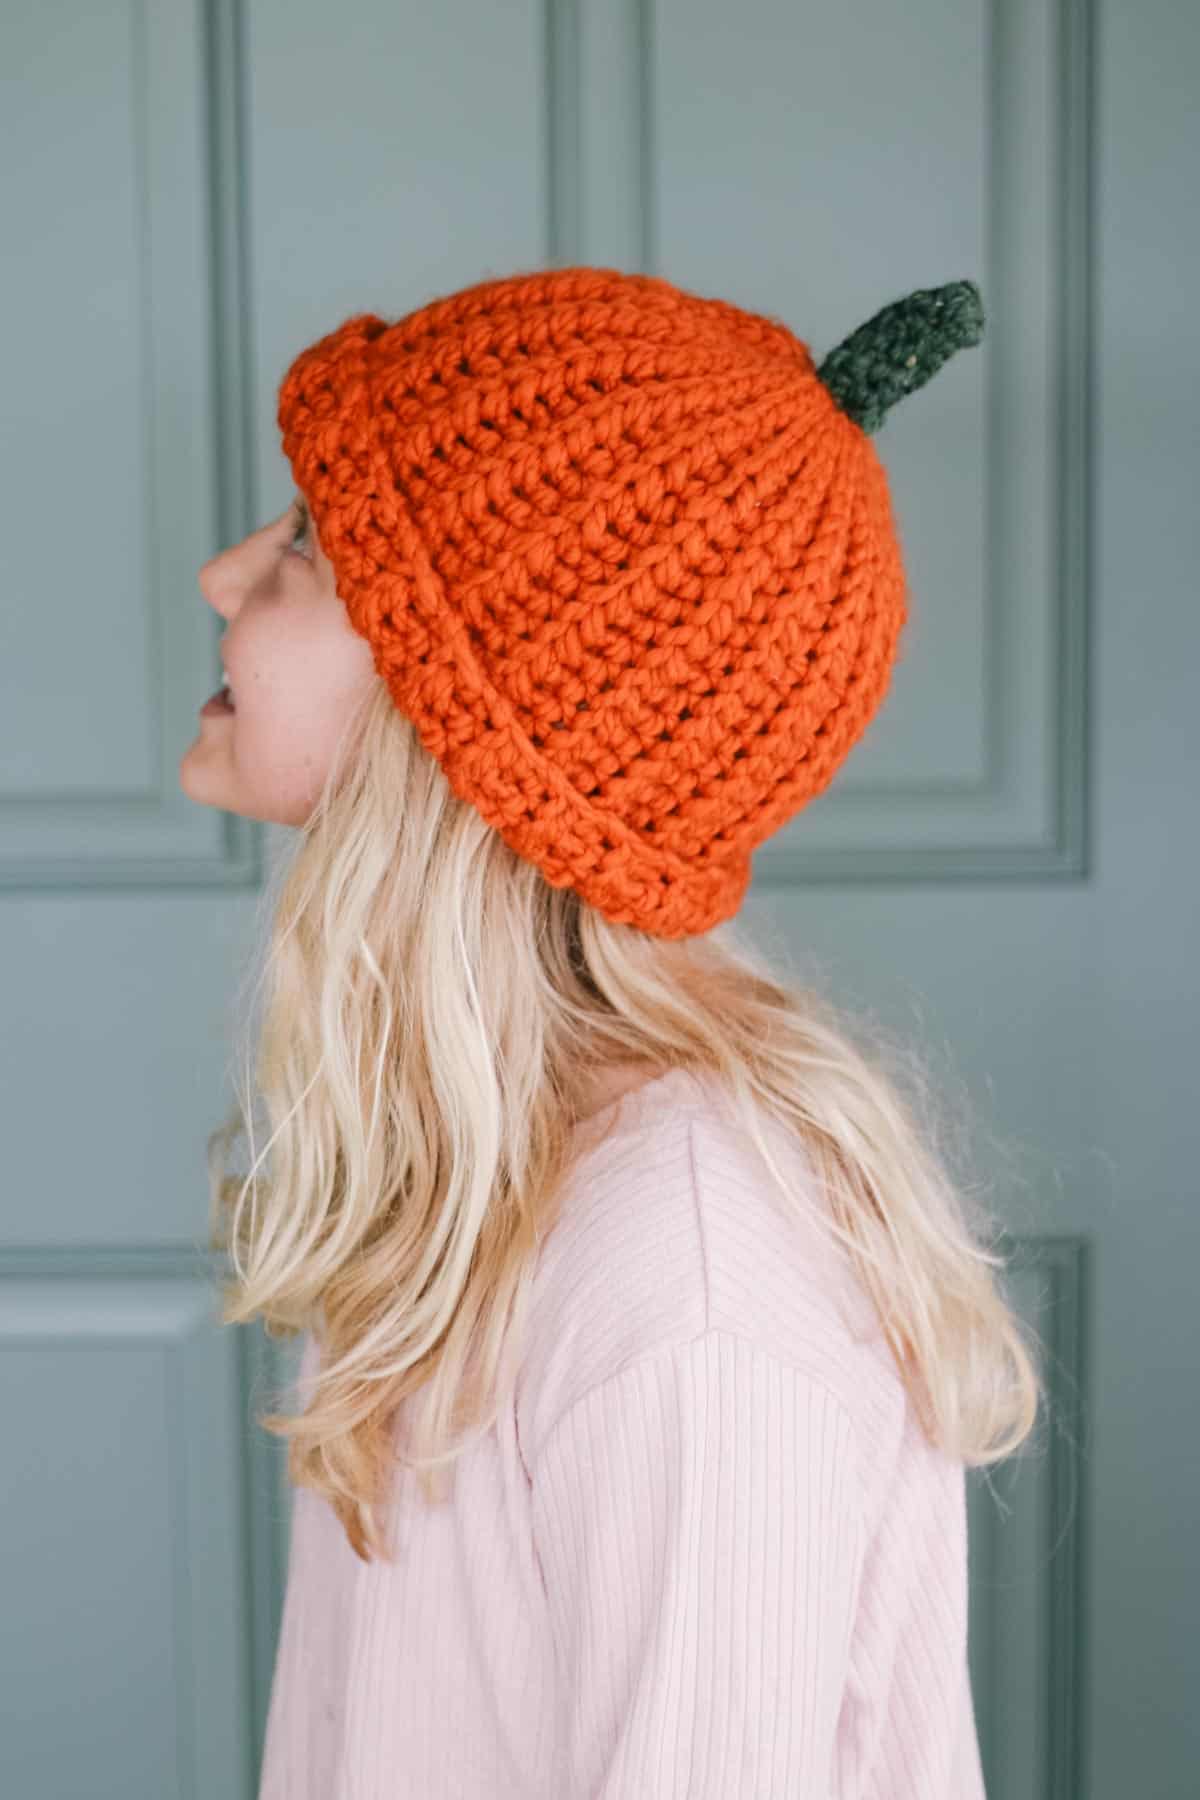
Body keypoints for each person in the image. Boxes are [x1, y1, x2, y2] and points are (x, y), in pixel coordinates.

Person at [179, 264, 1041, 1798]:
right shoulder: (494, 1171)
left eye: (310, 545)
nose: (226, 575)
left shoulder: (687, 1287)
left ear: (461, 717)